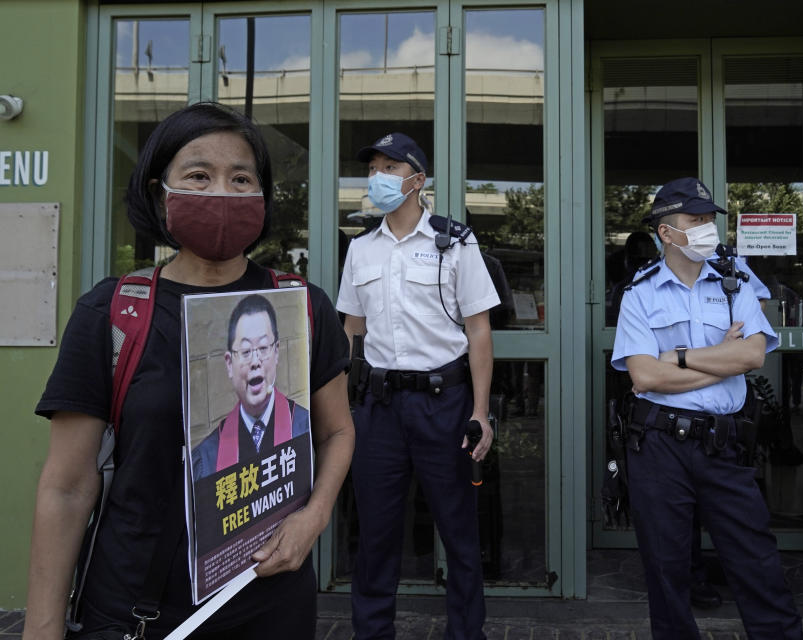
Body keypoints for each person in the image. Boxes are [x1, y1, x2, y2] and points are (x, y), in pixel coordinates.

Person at [24, 102, 354, 640]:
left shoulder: (302, 307)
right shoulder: (112, 312)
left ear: (262, 197)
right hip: (135, 607)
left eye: (241, 178)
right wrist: (42, 630)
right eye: (198, 175)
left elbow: (337, 431)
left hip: (268, 606)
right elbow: (66, 486)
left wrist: (312, 520)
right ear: (161, 193)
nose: (222, 192)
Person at [611, 177, 802, 639]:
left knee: (757, 561)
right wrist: (722, 361)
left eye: (708, 220)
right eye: (694, 221)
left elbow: (753, 356)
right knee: (667, 569)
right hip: (658, 445)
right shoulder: (640, 292)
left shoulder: (735, 283)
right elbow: (644, 377)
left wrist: (676, 357)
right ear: (666, 233)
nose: (706, 230)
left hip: (724, 442)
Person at [337, 132, 499, 640]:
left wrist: (480, 412)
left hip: (443, 404)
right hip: (379, 408)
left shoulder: (455, 242)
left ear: (417, 180)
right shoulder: (361, 248)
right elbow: (351, 333)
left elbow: (479, 330)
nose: (376, 177)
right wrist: (341, 412)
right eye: (372, 168)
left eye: (389, 167)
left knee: (458, 532)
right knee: (376, 536)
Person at [192, 294, 311, 480]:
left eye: (263, 348)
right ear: (229, 363)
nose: (255, 361)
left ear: (277, 351)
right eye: (246, 351)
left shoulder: (305, 427)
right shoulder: (206, 457)